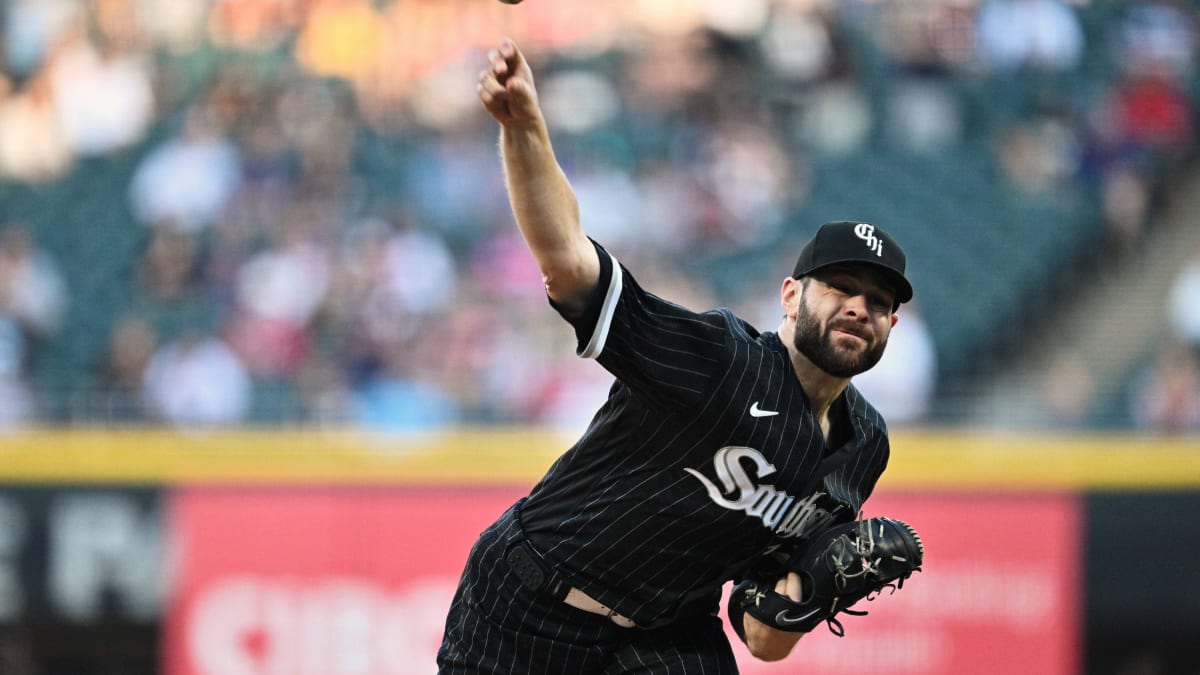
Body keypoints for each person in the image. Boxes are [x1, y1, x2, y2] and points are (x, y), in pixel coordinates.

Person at [438, 38, 918, 673]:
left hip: (664, 631)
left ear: (892, 322)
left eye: (878, 300)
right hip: (529, 597)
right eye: (840, 289)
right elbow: (569, 265)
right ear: (791, 295)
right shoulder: (719, 358)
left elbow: (762, 638)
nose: (859, 307)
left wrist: (807, 592)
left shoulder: (863, 447)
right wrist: (525, 129)